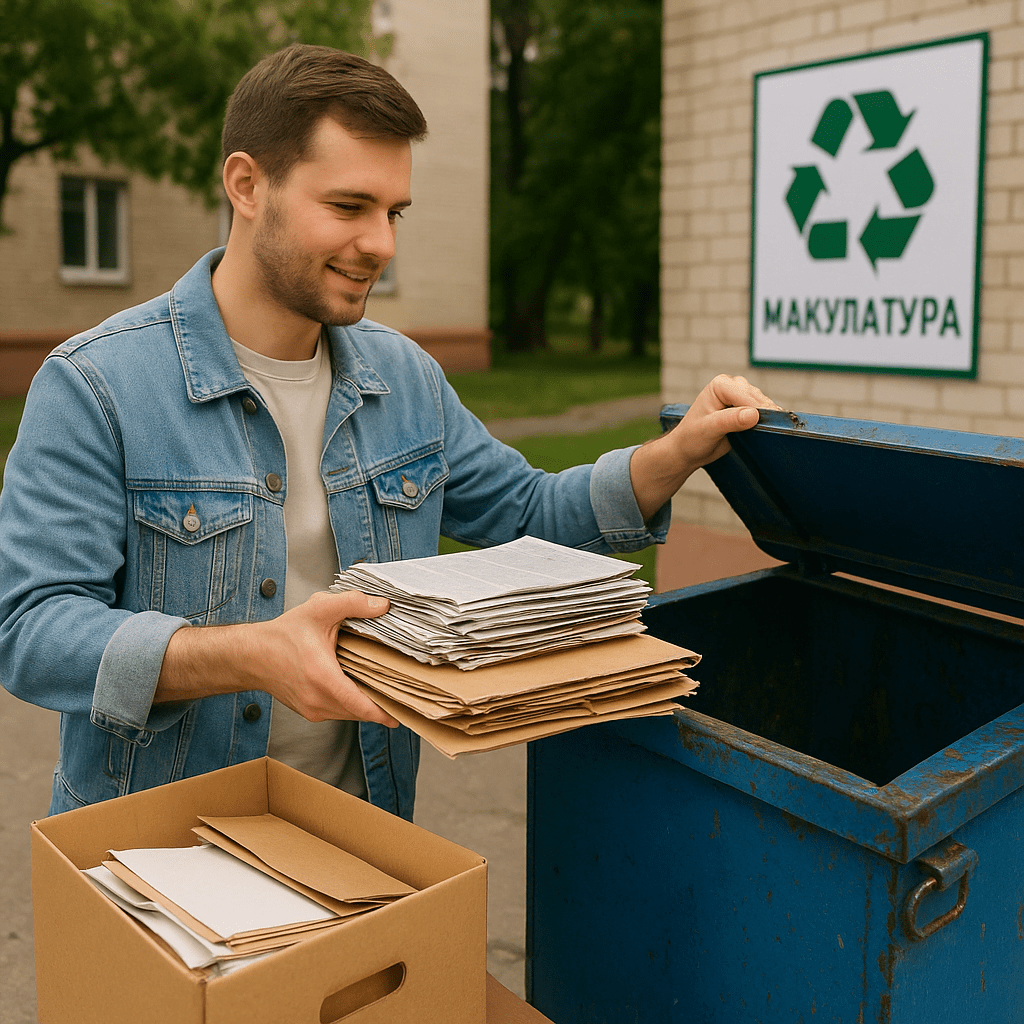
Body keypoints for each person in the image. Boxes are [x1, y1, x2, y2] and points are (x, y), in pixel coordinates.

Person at [0, 44, 777, 821]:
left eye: (394, 212)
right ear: (246, 185)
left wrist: (673, 456)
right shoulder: (96, 387)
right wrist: (251, 655)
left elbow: (530, 513)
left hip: (360, 832)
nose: (382, 244)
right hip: (161, 855)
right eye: (348, 207)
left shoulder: (404, 378)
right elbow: (32, 631)